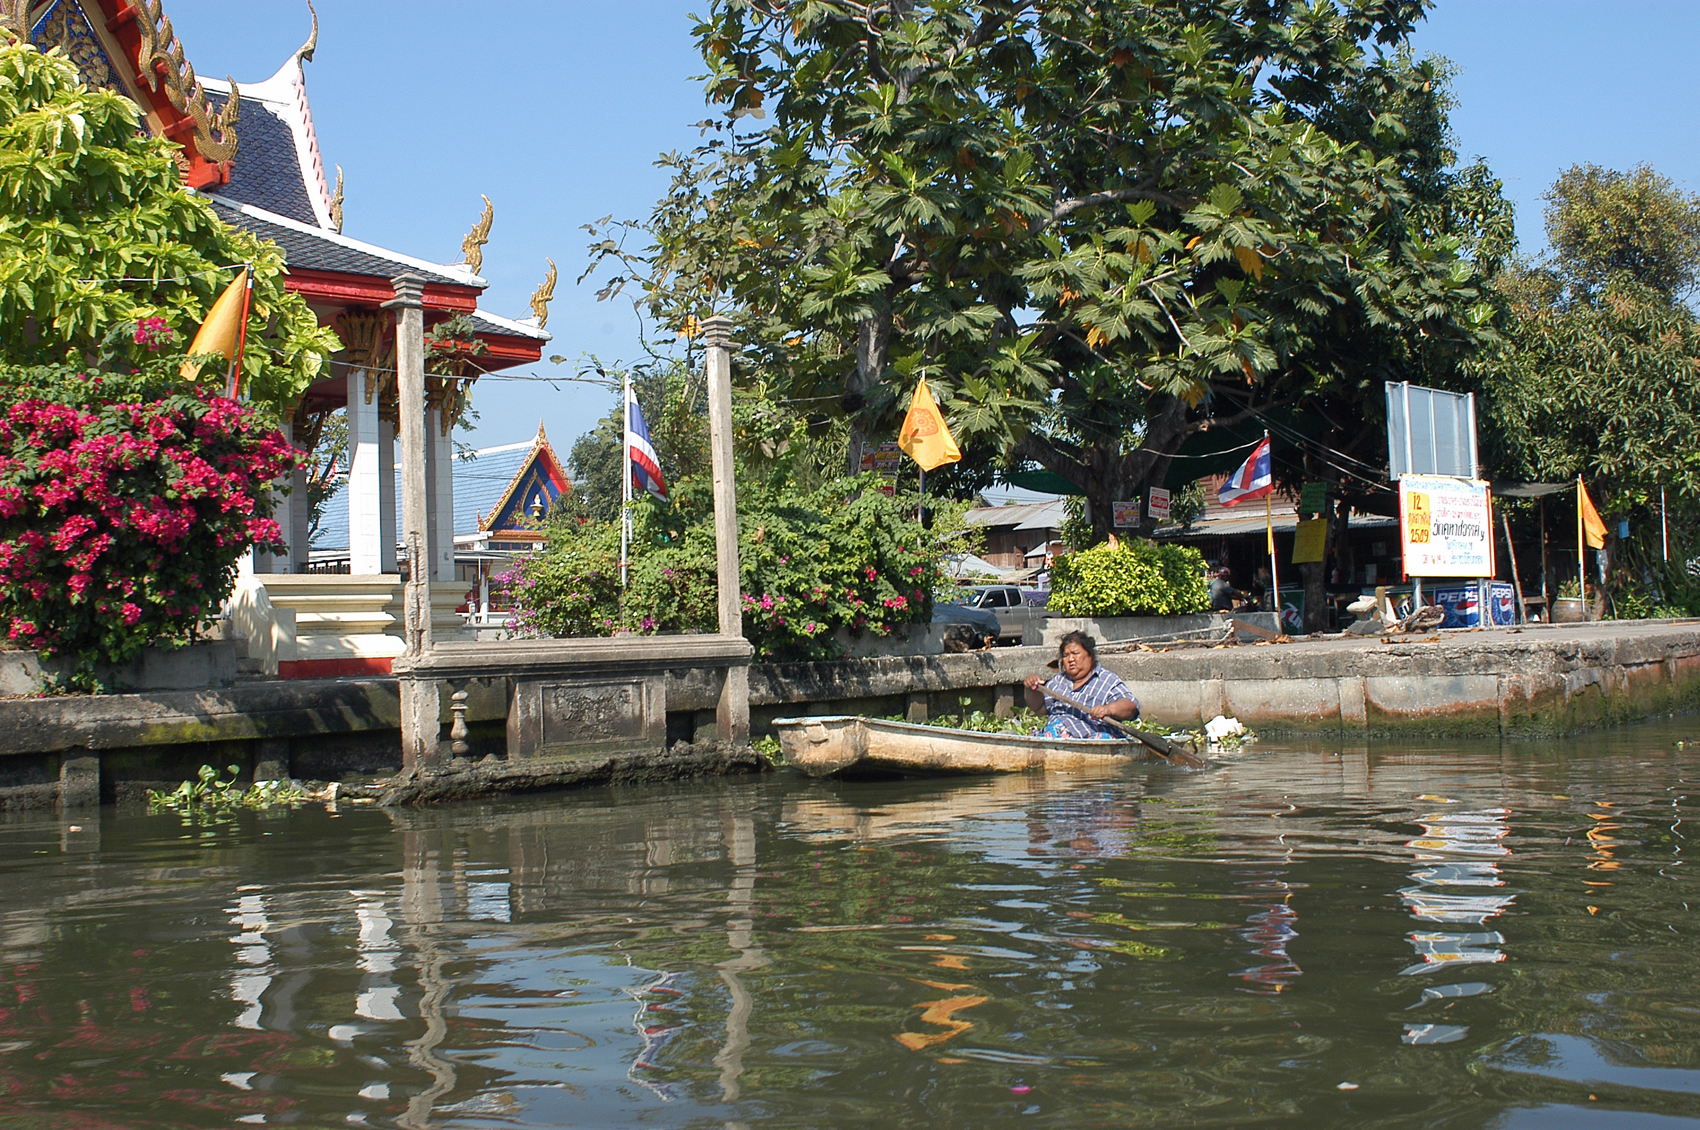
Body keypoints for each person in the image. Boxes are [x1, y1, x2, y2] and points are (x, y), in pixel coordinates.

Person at [1022, 631, 1141, 739]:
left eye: (1075, 653)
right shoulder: (1059, 681)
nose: (1070, 659)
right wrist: (1031, 689)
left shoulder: (1107, 680)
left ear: (1089, 656)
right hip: (1054, 735)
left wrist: (1108, 709)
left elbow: (1131, 708)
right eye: (1066, 655)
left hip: (1091, 736)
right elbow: (1040, 709)